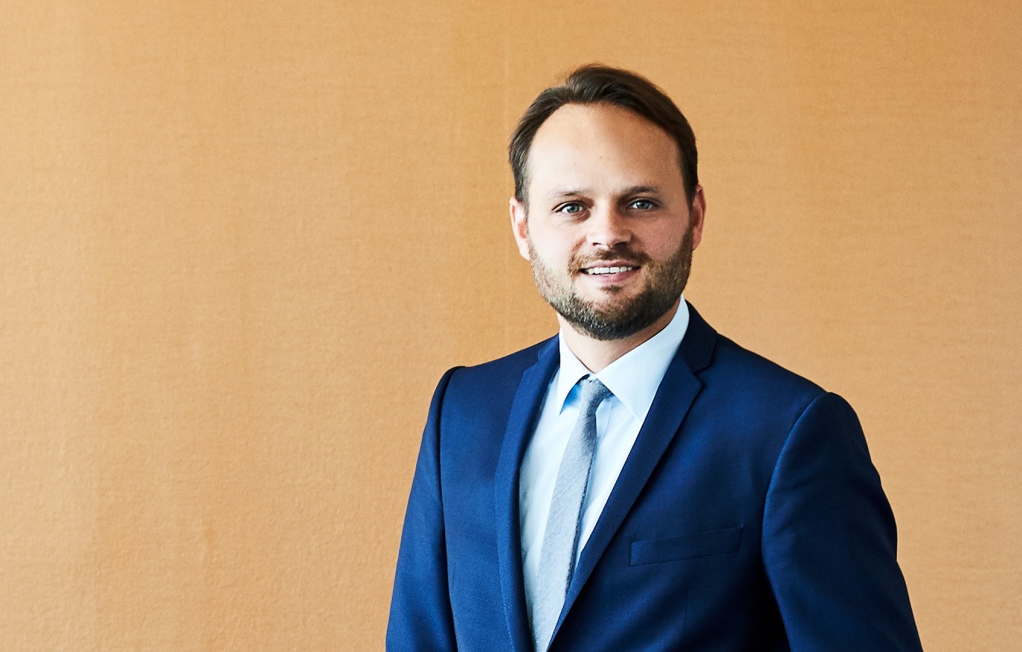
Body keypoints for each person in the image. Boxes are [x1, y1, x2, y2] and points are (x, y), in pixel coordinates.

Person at [387, 64, 921, 651]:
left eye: (640, 203)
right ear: (522, 226)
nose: (607, 234)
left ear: (694, 217)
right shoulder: (462, 414)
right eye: (572, 206)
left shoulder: (792, 432)